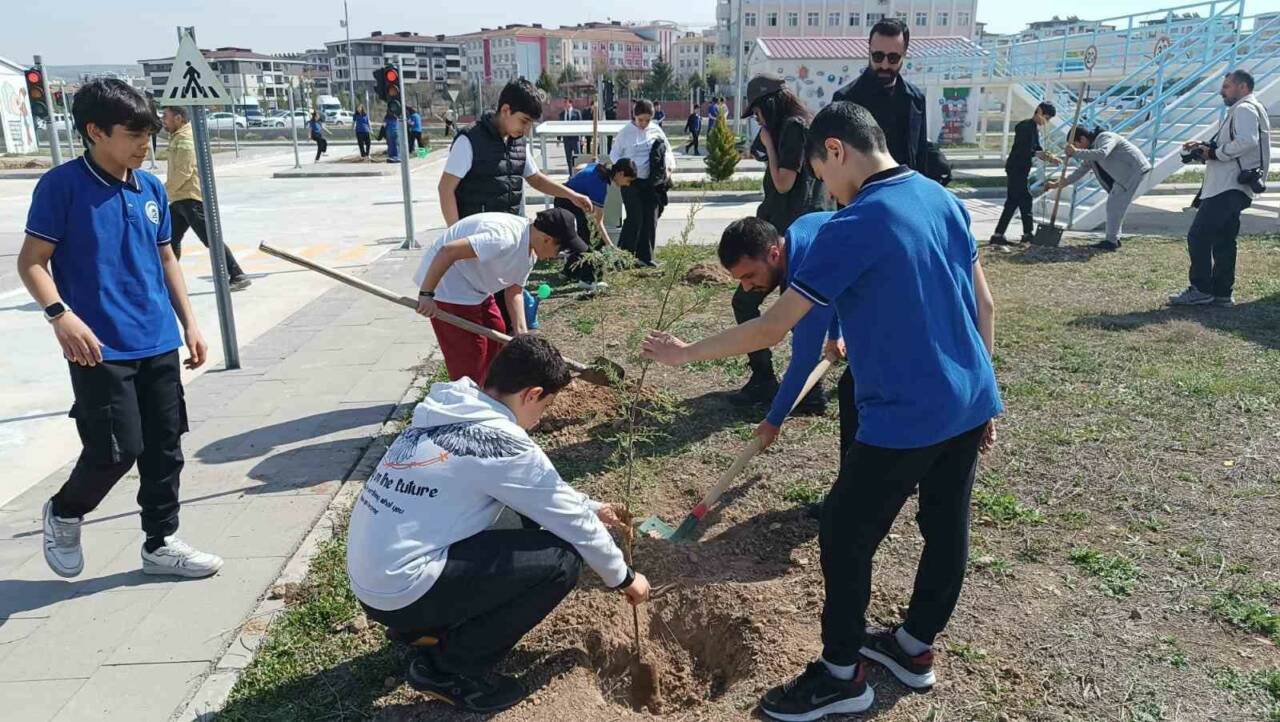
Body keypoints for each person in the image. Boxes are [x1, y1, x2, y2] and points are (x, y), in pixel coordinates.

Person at [642, 102, 1000, 721]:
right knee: (945, 526)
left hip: (905, 414)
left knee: (842, 531)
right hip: (968, 399)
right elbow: (985, 306)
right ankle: (914, 650)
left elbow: (771, 329)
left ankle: (841, 676)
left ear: (836, 151)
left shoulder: (853, 222)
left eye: (820, 170)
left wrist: (684, 354)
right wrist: (984, 392)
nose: (824, 188)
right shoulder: (942, 200)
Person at [347, 334, 650, 714]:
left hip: (376, 581)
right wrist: (623, 577)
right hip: (402, 592)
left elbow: (542, 497)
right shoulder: (504, 443)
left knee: (523, 518)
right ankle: (447, 669)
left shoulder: (448, 412)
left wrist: (591, 507)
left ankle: (424, 630)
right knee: (561, 561)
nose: (541, 418)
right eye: (546, 405)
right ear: (532, 394)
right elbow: (570, 523)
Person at [17, 78, 224, 581]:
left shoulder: (150, 187)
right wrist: (60, 315)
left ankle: (161, 542)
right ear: (94, 131)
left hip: (157, 339)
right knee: (115, 450)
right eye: (132, 134)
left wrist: (190, 322)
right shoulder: (62, 187)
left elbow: (166, 256)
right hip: (98, 347)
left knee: (165, 447)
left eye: (148, 132)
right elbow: (32, 263)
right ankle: (65, 512)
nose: (144, 144)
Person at [732, 75, 827, 406]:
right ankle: (763, 378)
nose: (757, 120)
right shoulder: (791, 128)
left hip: (794, 243)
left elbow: (784, 183)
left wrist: (769, 143)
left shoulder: (793, 129)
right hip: (777, 237)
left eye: (757, 113)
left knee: (799, 315)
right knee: (744, 301)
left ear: (768, 105)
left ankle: (809, 390)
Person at [412, 208, 588, 385]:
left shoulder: (529, 251)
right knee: (471, 355)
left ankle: (487, 389)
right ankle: (467, 396)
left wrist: (522, 335)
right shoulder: (504, 239)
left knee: (497, 333)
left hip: (476, 286)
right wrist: (427, 294)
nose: (558, 256)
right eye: (561, 250)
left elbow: (514, 291)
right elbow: (448, 251)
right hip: (449, 286)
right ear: (547, 239)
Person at [718, 213, 840, 448]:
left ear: (774, 253)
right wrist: (835, 336)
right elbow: (836, 290)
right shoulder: (801, 230)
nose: (746, 286)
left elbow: (804, 359)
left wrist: (774, 419)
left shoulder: (807, 266)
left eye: (749, 275)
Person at [1169, 69, 1271, 307]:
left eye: (1227, 86)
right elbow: (1239, 142)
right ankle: (1222, 292)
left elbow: (1247, 142)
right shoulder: (1246, 109)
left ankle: (1201, 289)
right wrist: (1206, 146)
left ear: (1243, 87)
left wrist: (1214, 152)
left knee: (1199, 235)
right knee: (1224, 239)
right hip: (1235, 186)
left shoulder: (1244, 109)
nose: (1222, 91)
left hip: (1228, 186)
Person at [437, 79, 591, 226]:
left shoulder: (519, 142)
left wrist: (571, 195)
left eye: (531, 124)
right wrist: (456, 236)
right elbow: (445, 189)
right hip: (474, 238)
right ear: (505, 110)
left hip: (508, 234)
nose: (526, 130)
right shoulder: (469, 140)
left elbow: (536, 179)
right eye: (524, 121)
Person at [832, 18, 950, 185]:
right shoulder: (845, 100)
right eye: (878, 56)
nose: (885, 65)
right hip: (863, 200)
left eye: (893, 58)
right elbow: (837, 162)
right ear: (869, 51)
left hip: (907, 197)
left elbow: (919, 154)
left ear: (904, 55)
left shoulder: (915, 99)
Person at [161, 106, 250, 291]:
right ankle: (167, 280)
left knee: (210, 239)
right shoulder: (178, 136)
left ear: (178, 118)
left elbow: (184, 171)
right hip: (180, 198)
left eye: (166, 117)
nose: (163, 120)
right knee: (169, 240)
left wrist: (164, 191)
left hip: (190, 198)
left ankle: (237, 274)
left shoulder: (185, 139)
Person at [1044, 125, 1151, 251]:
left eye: (1075, 145)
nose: (1076, 148)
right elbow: (1079, 172)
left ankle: (1112, 241)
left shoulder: (1105, 137)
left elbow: (1102, 153)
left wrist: (1076, 152)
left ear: (1082, 139)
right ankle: (1114, 240)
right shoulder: (1090, 153)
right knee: (1114, 206)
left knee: (1114, 205)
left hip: (1133, 170)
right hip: (1124, 176)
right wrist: (1056, 184)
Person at [610, 98, 676, 268]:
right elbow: (614, 154)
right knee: (635, 218)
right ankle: (623, 257)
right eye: (641, 120)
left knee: (650, 218)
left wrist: (669, 168)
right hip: (631, 182)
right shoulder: (625, 132)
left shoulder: (656, 130)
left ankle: (645, 257)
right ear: (634, 116)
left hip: (651, 182)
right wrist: (623, 169)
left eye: (647, 120)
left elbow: (667, 151)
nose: (644, 124)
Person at [558, 158, 638, 291]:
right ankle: (589, 280)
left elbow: (579, 168)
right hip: (567, 203)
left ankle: (568, 272)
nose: (628, 185)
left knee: (581, 240)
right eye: (628, 180)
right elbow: (598, 222)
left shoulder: (598, 167)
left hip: (566, 199)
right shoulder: (600, 186)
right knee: (595, 241)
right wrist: (610, 245)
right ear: (621, 174)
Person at [990, 101, 1058, 246]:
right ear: (1039, 111)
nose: (1046, 121)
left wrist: (1048, 156)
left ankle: (1001, 234)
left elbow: (1036, 148)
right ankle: (1025, 234)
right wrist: (1040, 154)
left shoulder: (1034, 128)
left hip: (1021, 169)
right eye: (1046, 117)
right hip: (1016, 168)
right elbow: (1025, 149)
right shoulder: (1024, 126)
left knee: (1015, 201)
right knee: (1023, 199)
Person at [559, 99, 582, 172]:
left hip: (575, 139)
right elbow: (559, 127)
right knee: (568, 158)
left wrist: (581, 138)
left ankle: (578, 173)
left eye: (566, 102)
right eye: (564, 102)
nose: (565, 104)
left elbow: (581, 126)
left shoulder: (577, 113)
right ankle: (570, 174)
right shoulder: (562, 114)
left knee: (577, 157)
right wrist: (558, 139)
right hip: (566, 139)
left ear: (570, 103)